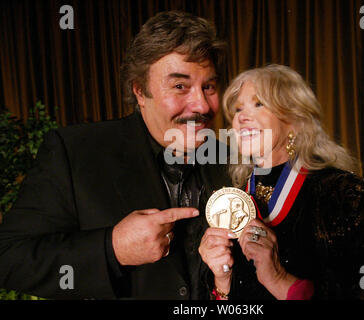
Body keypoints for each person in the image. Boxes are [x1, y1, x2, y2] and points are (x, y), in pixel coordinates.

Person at [0, 11, 230, 299]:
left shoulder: (235, 160)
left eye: (208, 86)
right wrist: (112, 249)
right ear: (139, 92)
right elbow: (9, 258)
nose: (201, 105)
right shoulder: (74, 151)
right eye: (180, 86)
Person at [198, 64, 364, 300]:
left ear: (294, 119)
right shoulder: (234, 199)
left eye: (259, 104)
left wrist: (279, 281)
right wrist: (222, 279)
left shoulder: (345, 195)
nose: (241, 118)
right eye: (237, 110)